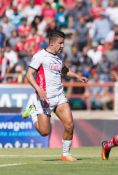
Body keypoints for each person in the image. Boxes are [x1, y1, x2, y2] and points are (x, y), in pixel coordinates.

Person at [21, 30, 88, 161]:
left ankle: (65, 154)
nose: (62, 46)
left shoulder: (58, 57)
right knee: (44, 132)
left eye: (63, 43)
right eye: (60, 43)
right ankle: (33, 111)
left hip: (59, 96)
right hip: (44, 98)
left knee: (69, 124)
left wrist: (77, 77)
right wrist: (38, 89)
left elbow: (64, 71)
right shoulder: (40, 56)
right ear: (52, 43)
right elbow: (28, 75)